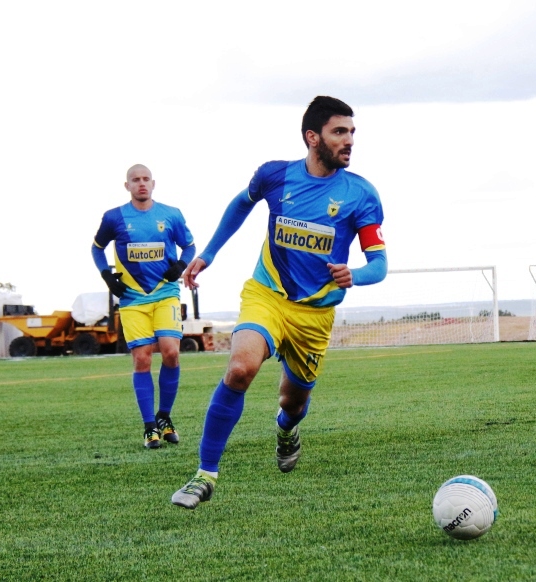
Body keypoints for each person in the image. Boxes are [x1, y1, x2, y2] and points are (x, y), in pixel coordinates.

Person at [171, 96, 388, 509]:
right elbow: (241, 204)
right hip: (267, 295)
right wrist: (209, 253)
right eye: (339, 132)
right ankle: (205, 474)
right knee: (240, 369)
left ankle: (287, 430)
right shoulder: (275, 176)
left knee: (293, 403)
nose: (349, 140)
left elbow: (379, 264)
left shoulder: (361, 194)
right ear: (312, 137)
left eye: (351, 132)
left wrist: (355, 275)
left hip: (314, 315)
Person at [91, 164, 197, 449]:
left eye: (145, 179)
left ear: (153, 183)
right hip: (133, 299)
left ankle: (165, 417)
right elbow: (97, 248)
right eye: (135, 180)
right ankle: (150, 427)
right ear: (127, 185)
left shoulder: (171, 214)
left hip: (165, 294)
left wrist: (181, 265)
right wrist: (106, 275)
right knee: (142, 359)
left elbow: (189, 246)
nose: (141, 183)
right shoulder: (114, 217)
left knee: (171, 352)